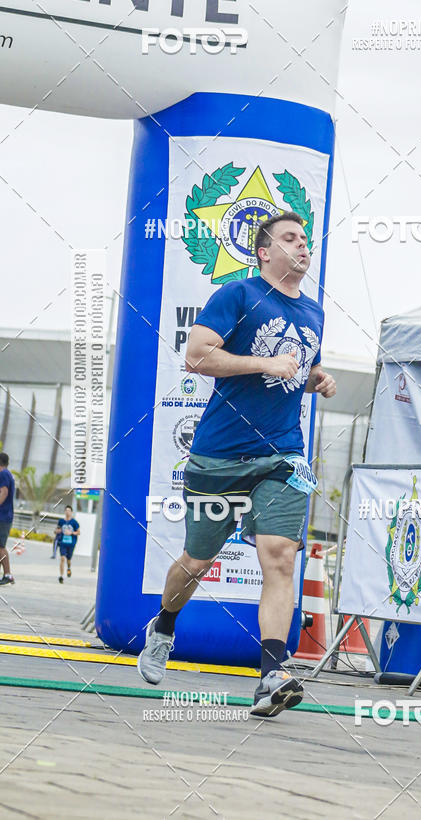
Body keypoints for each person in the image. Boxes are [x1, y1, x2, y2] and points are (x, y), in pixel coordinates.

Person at [137, 212, 336, 716]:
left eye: (305, 239)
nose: (303, 246)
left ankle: (272, 674)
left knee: (280, 555)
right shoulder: (239, 294)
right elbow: (197, 356)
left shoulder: (314, 311)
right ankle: (163, 626)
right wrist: (264, 363)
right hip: (220, 456)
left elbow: (301, 365)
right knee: (197, 561)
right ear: (265, 252)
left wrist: (317, 378)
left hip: (283, 453)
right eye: (290, 239)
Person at [0, 452, 15, 586]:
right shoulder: (7, 474)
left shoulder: (3, 474)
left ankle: (8, 575)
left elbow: (4, 492)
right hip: (5, 515)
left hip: (3, 516)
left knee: (0, 547)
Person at [55, 506, 80, 583]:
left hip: (71, 543)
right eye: (66, 510)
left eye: (69, 511)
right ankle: (61, 576)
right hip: (62, 543)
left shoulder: (74, 522)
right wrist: (57, 531)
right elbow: (57, 529)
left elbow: (78, 532)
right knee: (62, 558)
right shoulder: (61, 521)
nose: (67, 512)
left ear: (71, 512)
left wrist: (71, 533)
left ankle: (68, 568)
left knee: (68, 560)